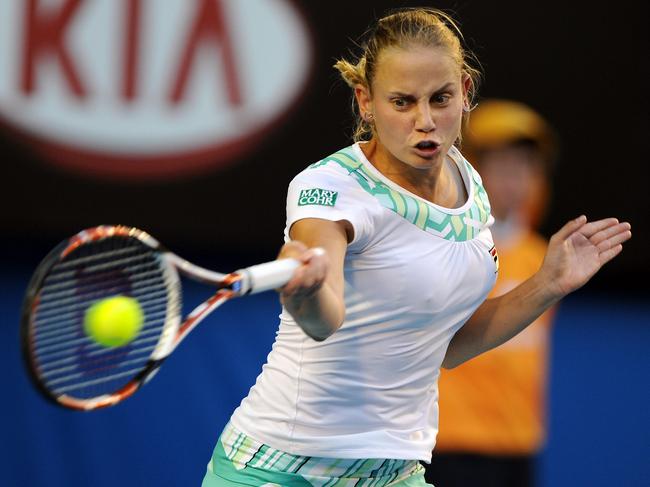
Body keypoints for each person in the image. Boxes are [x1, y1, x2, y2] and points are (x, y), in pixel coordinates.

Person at [201, 8, 631, 486]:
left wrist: (548, 284)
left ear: (466, 91)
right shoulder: (330, 189)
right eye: (402, 102)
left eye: (440, 98)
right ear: (365, 101)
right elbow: (326, 319)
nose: (425, 121)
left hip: (394, 472)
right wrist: (305, 292)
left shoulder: (470, 183)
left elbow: (447, 346)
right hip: (276, 469)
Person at [422, 99, 559, 487]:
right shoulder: (443, 247)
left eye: (525, 167)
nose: (514, 180)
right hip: (446, 445)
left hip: (517, 446)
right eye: (502, 166)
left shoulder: (545, 256)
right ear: (472, 171)